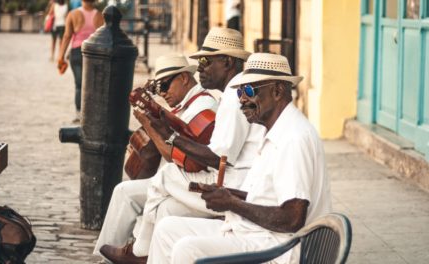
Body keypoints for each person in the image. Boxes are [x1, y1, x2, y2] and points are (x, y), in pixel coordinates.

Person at [98, 27, 266, 264]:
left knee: (166, 177)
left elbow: (219, 159)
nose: (200, 69)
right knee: (166, 209)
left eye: (206, 62)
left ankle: (139, 254)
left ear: (227, 62)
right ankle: (139, 253)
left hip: (233, 186)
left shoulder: (234, 95)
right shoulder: (234, 91)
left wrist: (171, 137)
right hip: (235, 180)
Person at [147, 53, 332, 264]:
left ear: (278, 91)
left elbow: (292, 219)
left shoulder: (293, 138)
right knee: (166, 229)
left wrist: (232, 203)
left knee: (187, 249)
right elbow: (268, 197)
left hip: (279, 246)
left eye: (250, 91)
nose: (242, 99)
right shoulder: (273, 130)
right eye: (241, 92)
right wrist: (227, 195)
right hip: (256, 233)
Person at [93, 54, 219, 261]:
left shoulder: (202, 107)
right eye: (158, 87)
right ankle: (110, 255)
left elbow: (177, 158)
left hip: (193, 180)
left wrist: (150, 126)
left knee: (127, 193)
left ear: (185, 78)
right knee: (124, 191)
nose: (162, 93)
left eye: (165, 85)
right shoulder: (187, 105)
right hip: (181, 177)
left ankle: (130, 254)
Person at [57, 0, 104, 123]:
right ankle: (92, 114)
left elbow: (67, 36)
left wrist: (60, 56)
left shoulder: (72, 14)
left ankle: (79, 114)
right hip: (94, 53)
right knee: (93, 86)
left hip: (77, 52)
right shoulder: (100, 16)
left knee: (79, 85)